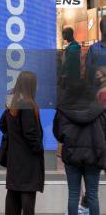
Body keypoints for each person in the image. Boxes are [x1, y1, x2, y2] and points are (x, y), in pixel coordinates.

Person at [53, 66, 106, 215]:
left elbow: (58, 135)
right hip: (94, 156)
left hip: (71, 156)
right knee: (92, 195)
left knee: (73, 194)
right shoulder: (99, 111)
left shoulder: (63, 112)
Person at [0, 71, 44, 215]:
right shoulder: (27, 105)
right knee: (27, 193)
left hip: (14, 157)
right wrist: (38, 149)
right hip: (28, 158)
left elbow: (2, 125)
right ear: (30, 86)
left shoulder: (12, 103)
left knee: (13, 193)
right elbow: (30, 133)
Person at [85, 16, 106, 91]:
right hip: (97, 90)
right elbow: (88, 69)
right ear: (101, 29)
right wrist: (88, 85)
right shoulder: (93, 48)